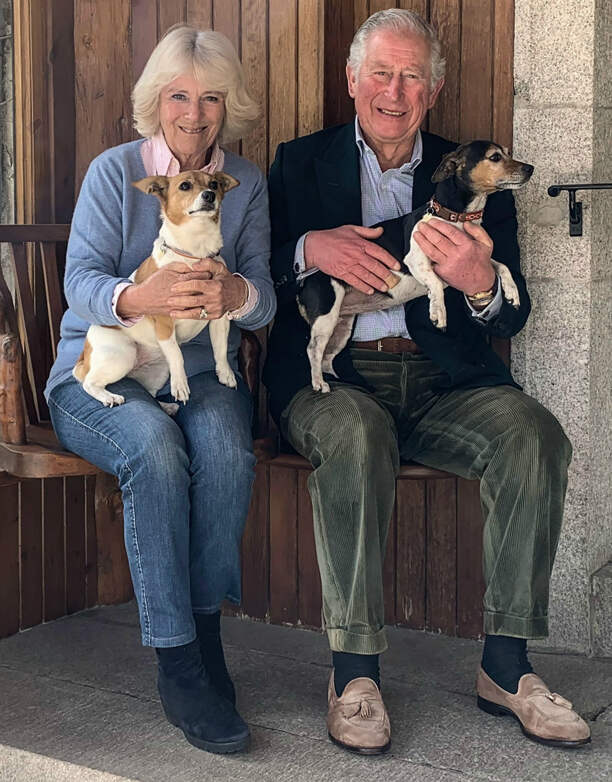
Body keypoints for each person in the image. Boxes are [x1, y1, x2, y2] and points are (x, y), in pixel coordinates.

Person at [264, 8, 590, 753]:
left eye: (412, 76)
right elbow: (255, 270)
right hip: (338, 379)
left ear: (434, 90)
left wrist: (482, 281)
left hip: (447, 384)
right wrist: (309, 248)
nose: (394, 91)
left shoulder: (472, 172)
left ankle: (506, 668)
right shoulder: (298, 162)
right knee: (354, 435)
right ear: (352, 80)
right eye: (380, 73)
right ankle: (354, 677)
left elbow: (513, 315)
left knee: (534, 436)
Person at [45, 25, 276, 755]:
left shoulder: (246, 183)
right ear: (156, 102)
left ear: (228, 106)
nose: (194, 114)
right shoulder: (115, 173)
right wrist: (137, 297)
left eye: (211, 98)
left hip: (198, 371)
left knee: (226, 448)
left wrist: (238, 293)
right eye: (179, 96)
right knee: (153, 448)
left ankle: (205, 638)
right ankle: (178, 663)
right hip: (101, 370)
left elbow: (265, 299)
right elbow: (79, 281)